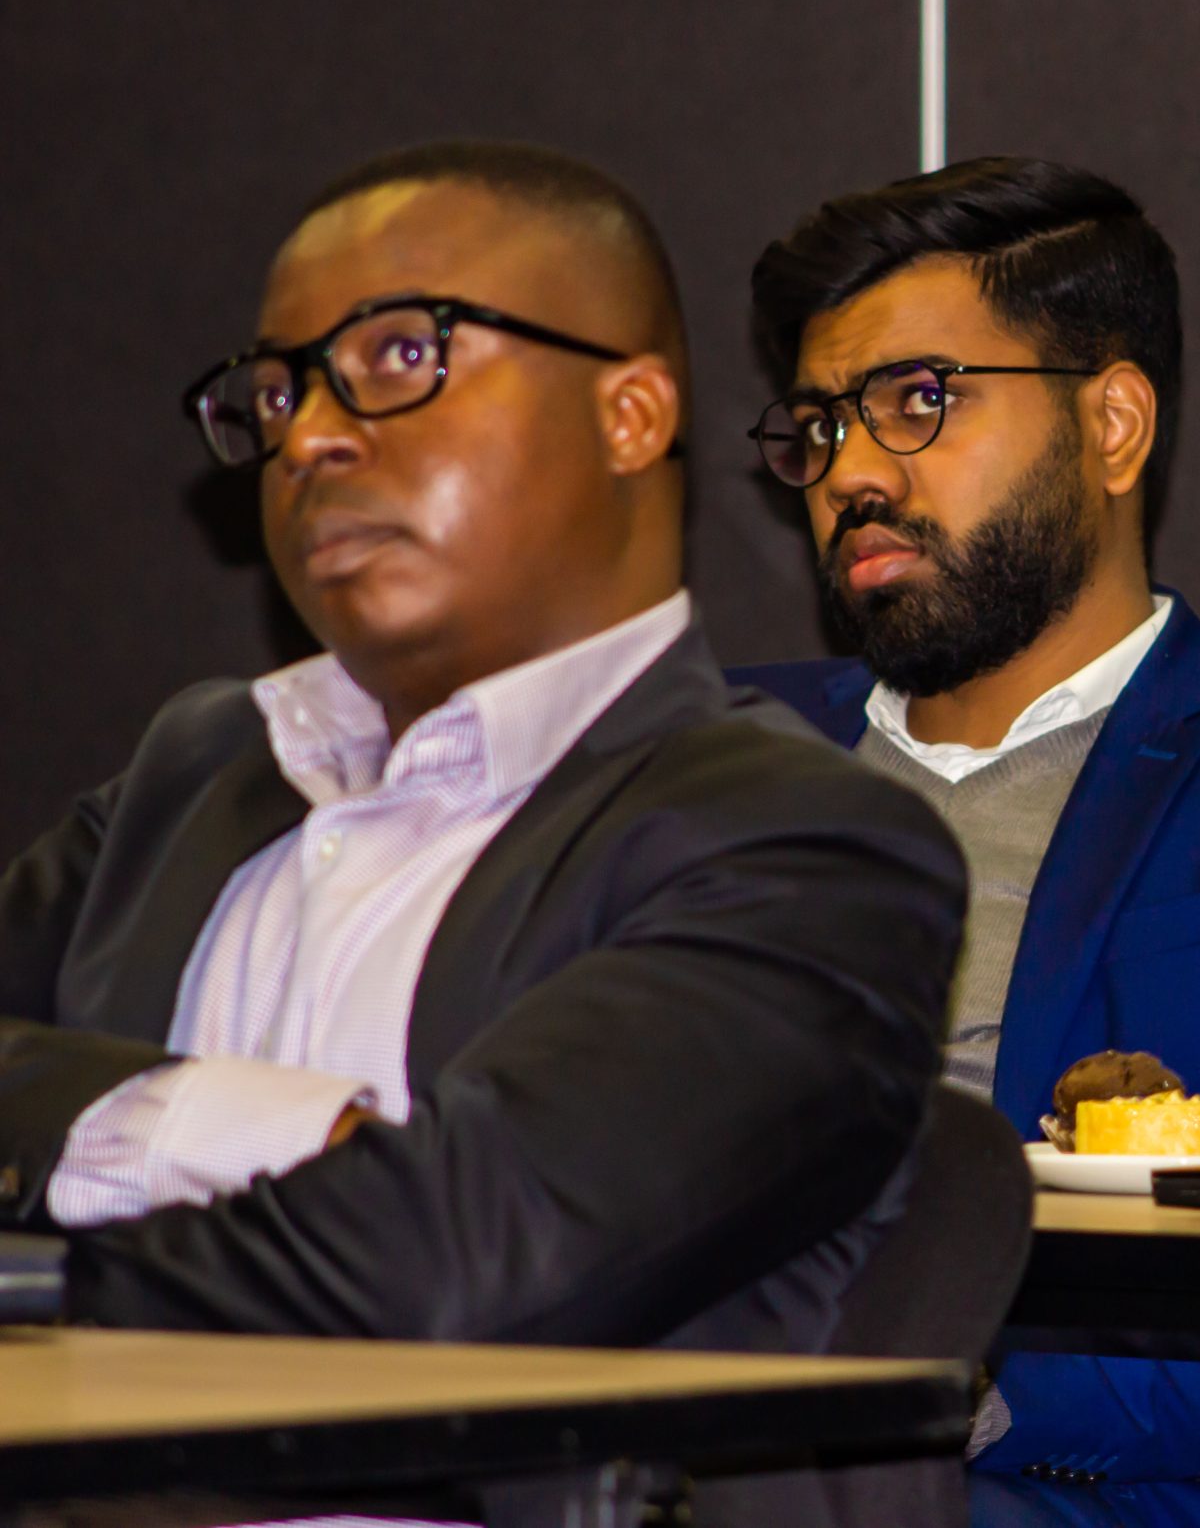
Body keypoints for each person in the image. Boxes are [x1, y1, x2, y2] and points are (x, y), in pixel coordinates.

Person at [0, 142, 964, 1523]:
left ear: (631, 412)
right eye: (277, 392)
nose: (311, 436)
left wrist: (59, 1241)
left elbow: (449, 1267)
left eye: (400, 356)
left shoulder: (808, 844)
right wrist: (281, 1131)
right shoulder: (190, 776)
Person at [732, 156, 1200, 1527]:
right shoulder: (720, 753)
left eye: (917, 401)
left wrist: (949, 1391)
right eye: (822, 424)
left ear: (1115, 424)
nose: (849, 471)